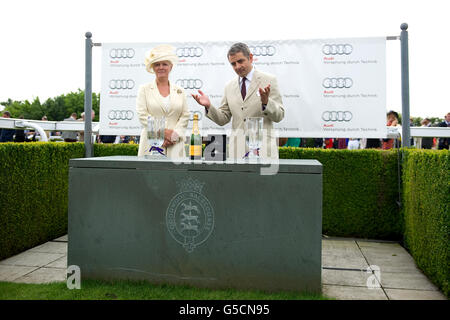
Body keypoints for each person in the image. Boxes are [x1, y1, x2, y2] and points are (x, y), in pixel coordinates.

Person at [192, 42, 285, 160]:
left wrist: (266, 103)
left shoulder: (269, 80)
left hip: (264, 152)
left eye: (240, 61)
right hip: (237, 152)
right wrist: (209, 106)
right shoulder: (229, 86)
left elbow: (280, 116)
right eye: (233, 64)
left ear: (250, 58)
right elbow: (223, 119)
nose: (237, 67)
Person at [136, 44, 190, 159]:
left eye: (164, 64)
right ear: (153, 68)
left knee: (176, 176)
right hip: (151, 144)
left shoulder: (180, 91)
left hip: (175, 144)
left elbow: (185, 115)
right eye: (157, 64)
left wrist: (174, 136)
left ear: (171, 67)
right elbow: (142, 115)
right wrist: (163, 133)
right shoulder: (144, 89)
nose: (161, 67)